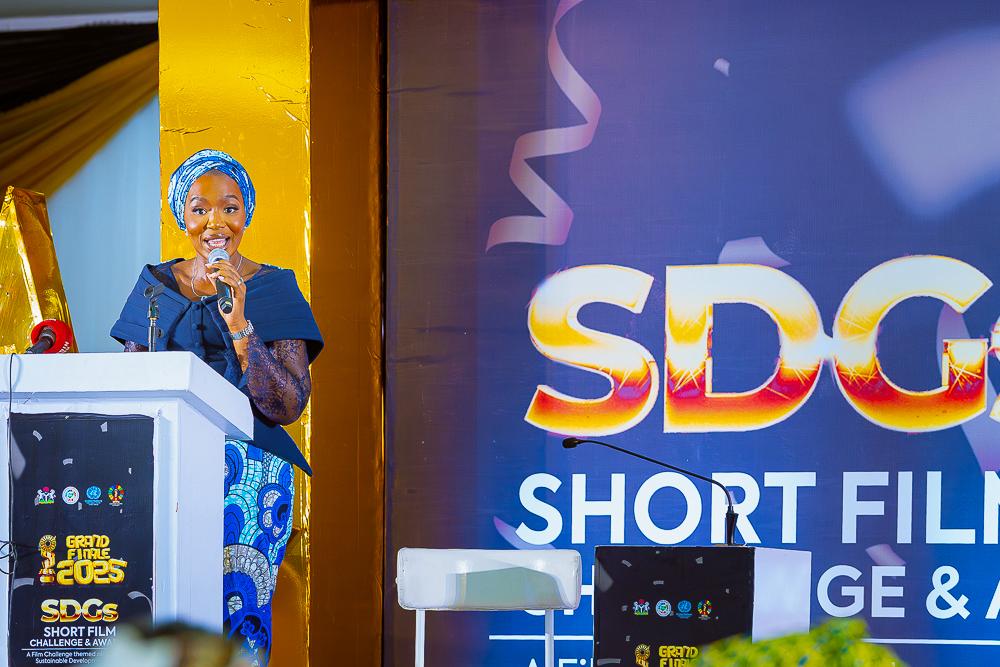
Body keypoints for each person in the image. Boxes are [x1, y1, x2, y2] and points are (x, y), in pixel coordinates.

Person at [111, 148, 322, 667]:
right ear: (181, 216)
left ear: (246, 214)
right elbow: (130, 389)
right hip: (164, 465)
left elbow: (286, 404)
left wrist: (239, 323)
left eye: (230, 208)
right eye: (200, 209)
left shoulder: (273, 287)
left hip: (250, 473)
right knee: (158, 605)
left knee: (237, 611)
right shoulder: (155, 288)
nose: (215, 223)